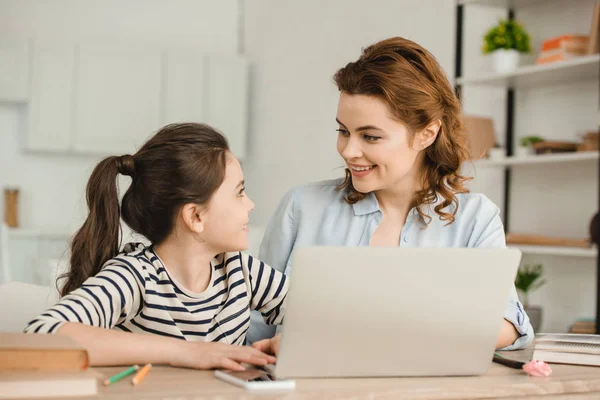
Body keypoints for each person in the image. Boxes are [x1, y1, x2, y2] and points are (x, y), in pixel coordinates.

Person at [250, 37, 534, 354]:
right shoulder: (302, 208)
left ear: (427, 133)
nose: (348, 150)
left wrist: (373, 341)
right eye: (343, 131)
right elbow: (253, 325)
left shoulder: (475, 219)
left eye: (370, 136)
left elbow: (507, 324)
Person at [24, 123, 286, 371]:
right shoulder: (136, 276)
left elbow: (321, 316)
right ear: (195, 217)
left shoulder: (241, 270)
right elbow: (41, 334)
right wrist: (186, 352)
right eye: (239, 192)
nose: (250, 204)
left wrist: (289, 341)